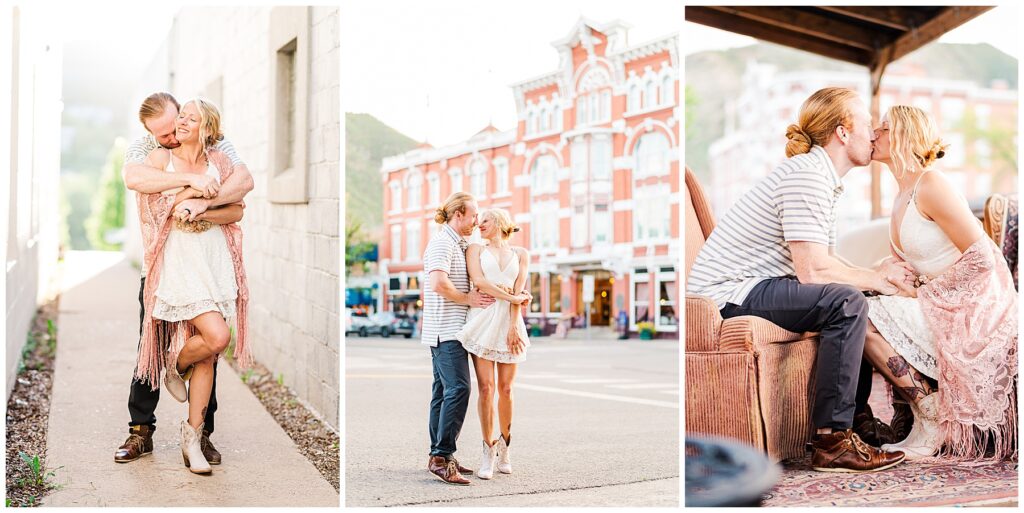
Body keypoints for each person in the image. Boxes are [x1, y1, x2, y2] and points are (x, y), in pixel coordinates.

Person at [688, 87, 908, 472]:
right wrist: (878, 278)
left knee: (854, 296)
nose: (874, 133)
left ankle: (857, 423)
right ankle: (832, 440)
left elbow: (823, 260)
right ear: (843, 132)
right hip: (726, 294)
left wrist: (874, 278)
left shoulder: (819, 176)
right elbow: (813, 272)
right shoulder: (807, 176)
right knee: (846, 302)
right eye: (867, 124)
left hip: (752, 284)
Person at [864, 105, 1017, 460]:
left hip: (970, 306)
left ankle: (932, 415)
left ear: (904, 135)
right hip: (935, 299)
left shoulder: (931, 184)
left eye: (883, 128)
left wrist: (925, 290)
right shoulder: (902, 194)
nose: (874, 134)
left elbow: (984, 258)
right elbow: (916, 265)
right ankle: (922, 415)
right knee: (857, 303)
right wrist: (888, 271)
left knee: (864, 315)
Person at [115, 92, 253, 465]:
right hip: (165, 266)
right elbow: (136, 180)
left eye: (177, 124)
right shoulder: (150, 147)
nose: (172, 135)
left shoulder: (218, 145)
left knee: (210, 348)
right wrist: (191, 183)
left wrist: (205, 203)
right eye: (162, 133)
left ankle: (201, 434)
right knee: (150, 347)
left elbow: (242, 188)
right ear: (150, 132)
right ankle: (140, 431)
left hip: (208, 263)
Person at [422, 192, 494, 485]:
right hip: (445, 331)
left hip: (453, 331)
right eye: (473, 215)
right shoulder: (442, 242)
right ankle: (442, 456)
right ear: (458, 214)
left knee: (442, 393)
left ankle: (440, 456)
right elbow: (438, 283)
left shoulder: (456, 242)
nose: (477, 221)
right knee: (459, 389)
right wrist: (468, 298)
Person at [455, 208, 530, 480]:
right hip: (483, 321)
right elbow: (480, 282)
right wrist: (513, 298)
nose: (479, 225)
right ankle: (487, 450)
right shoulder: (474, 249)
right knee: (486, 389)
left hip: (510, 323)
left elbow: (520, 290)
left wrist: (513, 324)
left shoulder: (521, 254)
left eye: (484, 220)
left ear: (499, 222)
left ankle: (505, 448)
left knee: (506, 389)